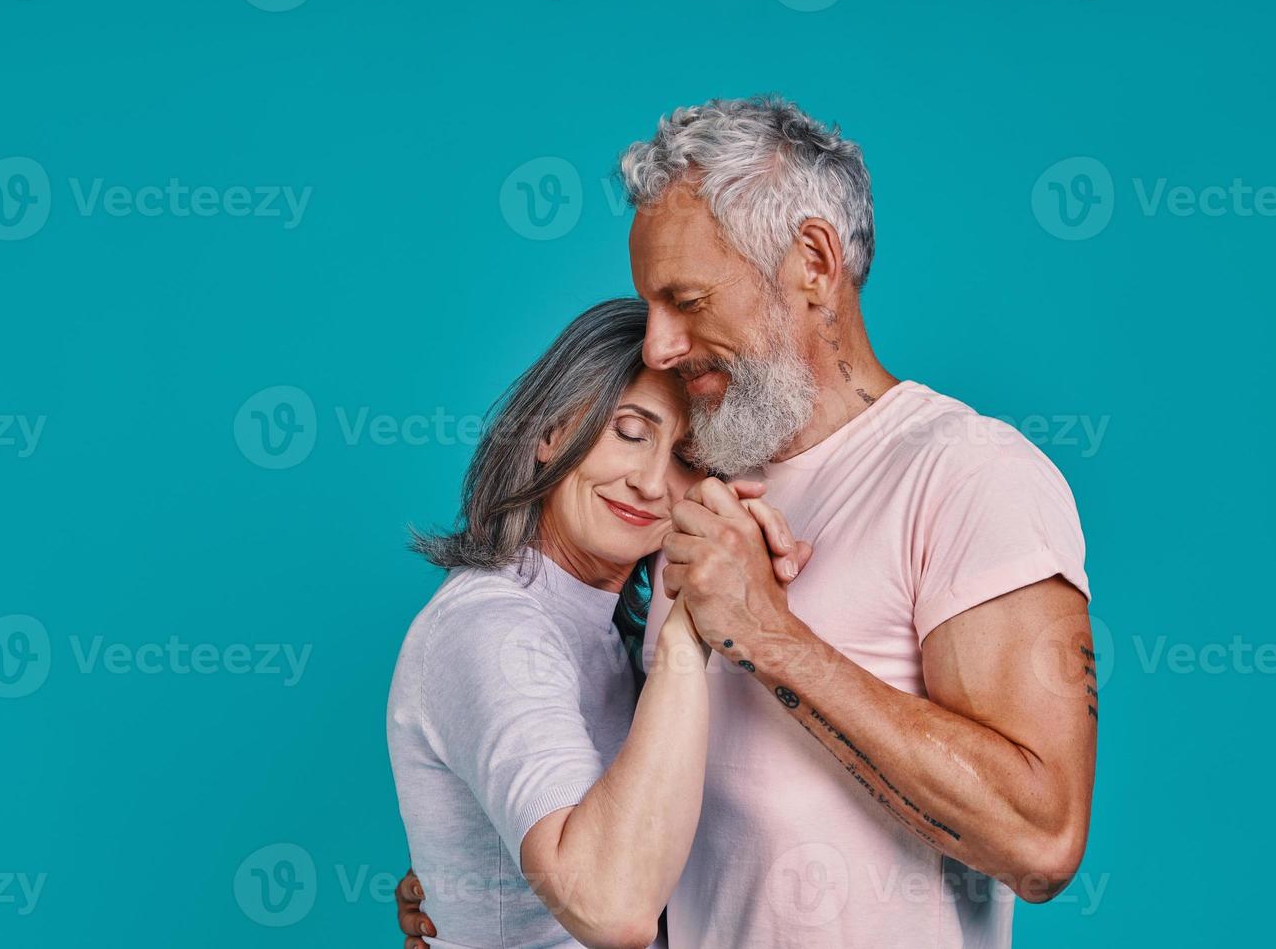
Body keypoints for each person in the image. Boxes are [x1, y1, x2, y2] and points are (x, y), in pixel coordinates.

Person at [398, 97, 1097, 948]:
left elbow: (1043, 844)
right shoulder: (709, 484)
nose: (657, 345)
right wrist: (485, 884)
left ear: (811, 261)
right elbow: (667, 829)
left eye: (685, 300)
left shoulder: (968, 473)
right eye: (648, 307)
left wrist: (769, 635)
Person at [387, 297, 808, 949]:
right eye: (631, 432)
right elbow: (613, 911)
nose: (649, 482)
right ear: (552, 431)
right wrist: (689, 631)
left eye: (688, 458)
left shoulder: (605, 634)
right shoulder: (494, 628)